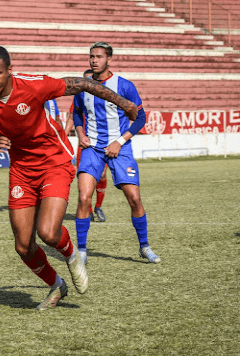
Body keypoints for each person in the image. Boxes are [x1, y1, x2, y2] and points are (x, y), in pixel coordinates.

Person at [0, 46, 139, 309]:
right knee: (23, 246)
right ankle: (56, 285)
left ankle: (71, 255)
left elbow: (81, 83)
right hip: (21, 170)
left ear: (10, 71)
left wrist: (122, 103)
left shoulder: (34, 85)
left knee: (48, 232)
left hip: (54, 161)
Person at [73, 42, 160, 265]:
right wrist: (81, 134)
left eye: (99, 56)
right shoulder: (83, 85)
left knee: (134, 198)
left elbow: (140, 117)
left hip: (119, 148)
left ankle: (144, 246)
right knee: (84, 197)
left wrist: (120, 142)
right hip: (92, 148)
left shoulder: (124, 85)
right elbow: (76, 112)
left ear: (109, 59)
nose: (94, 60)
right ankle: (81, 251)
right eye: (91, 56)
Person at [72, 69, 108, 225]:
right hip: (85, 144)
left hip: (101, 143)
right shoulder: (80, 99)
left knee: (101, 175)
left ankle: (98, 206)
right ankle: (89, 210)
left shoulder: (102, 100)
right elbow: (71, 117)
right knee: (85, 178)